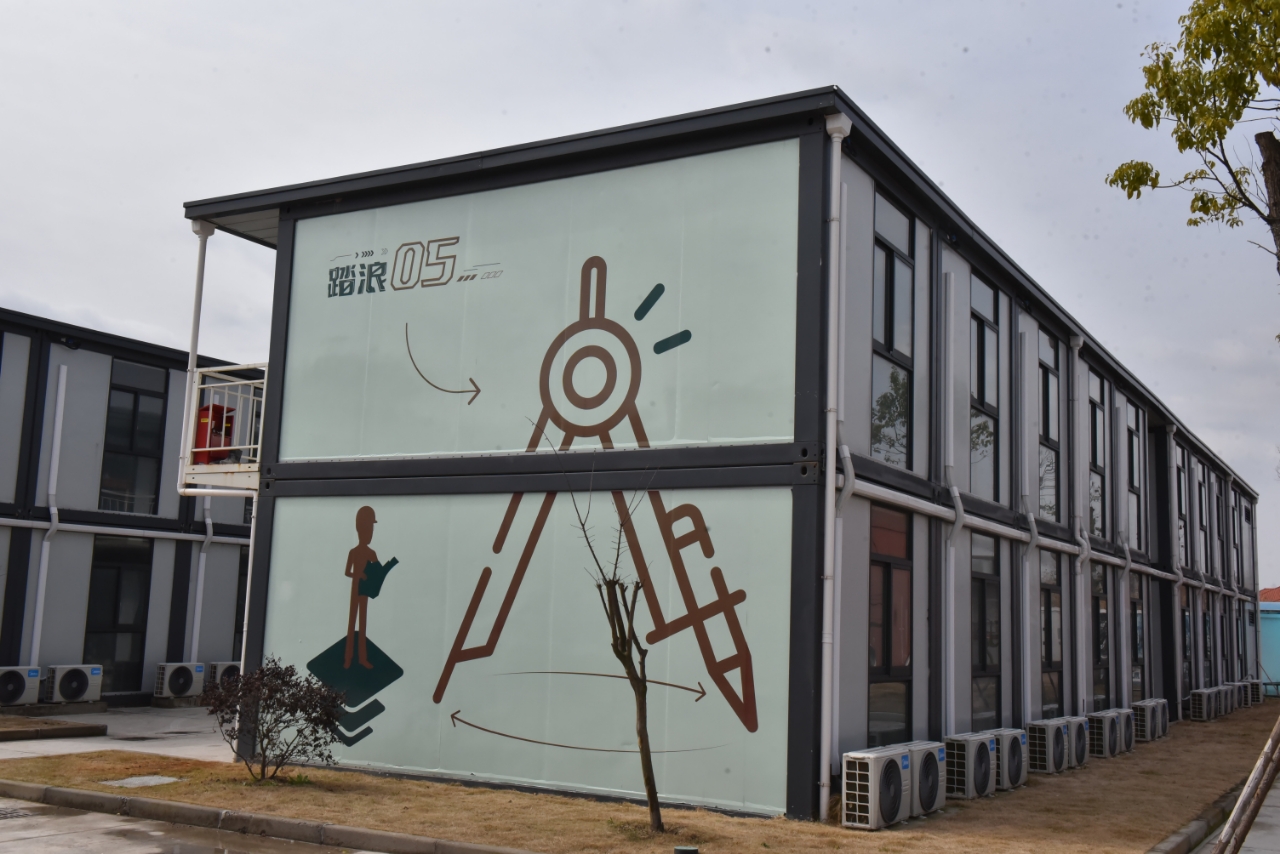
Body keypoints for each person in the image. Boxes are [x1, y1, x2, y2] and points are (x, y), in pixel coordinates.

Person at [344, 506, 378, 669]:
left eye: (371, 529)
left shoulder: (371, 553)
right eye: (368, 528)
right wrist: (359, 575)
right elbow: (347, 572)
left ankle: (362, 658)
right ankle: (348, 658)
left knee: (362, 623)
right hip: (355, 589)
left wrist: (373, 575)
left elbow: (377, 571)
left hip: (364, 591)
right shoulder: (353, 552)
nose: (370, 533)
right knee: (352, 623)